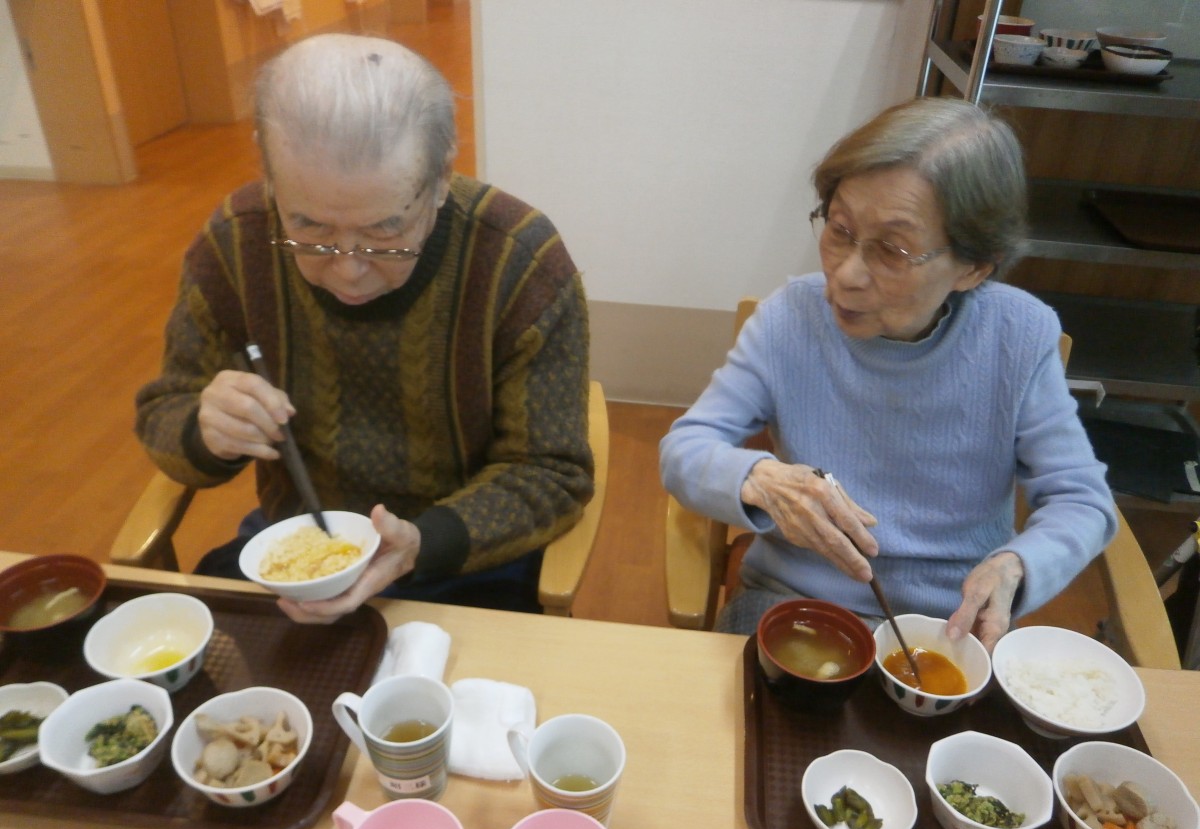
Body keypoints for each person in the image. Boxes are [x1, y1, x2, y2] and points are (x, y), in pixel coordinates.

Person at [136, 34, 593, 624]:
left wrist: (421, 543)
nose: (348, 268)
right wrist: (206, 431)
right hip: (298, 554)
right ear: (269, 172)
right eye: (309, 227)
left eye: (385, 232)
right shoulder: (236, 243)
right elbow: (164, 411)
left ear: (440, 175)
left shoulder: (518, 262)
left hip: (466, 560)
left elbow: (553, 473)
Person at [659, 97, 1116, 651]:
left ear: (973, 268)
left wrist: (1016, 564)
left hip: (949, 625)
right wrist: (760, 478)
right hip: (793, 602)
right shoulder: (789, 319)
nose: (846, 275)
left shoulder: (1018, 336)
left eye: (892, 250)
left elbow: (1082, 500)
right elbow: (685, 449)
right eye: (840, 229)